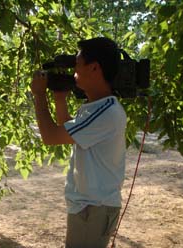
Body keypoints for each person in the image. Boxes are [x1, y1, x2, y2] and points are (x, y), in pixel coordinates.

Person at [31, 37, 127, 248]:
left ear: (94, 68)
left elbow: (51, 137)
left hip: (93, 209)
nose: (74, 70)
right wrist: (59, 99)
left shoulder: (106, 112)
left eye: (77, 64)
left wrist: (39, 95)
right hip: (90, 208)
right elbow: (68, 134)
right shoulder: (96, 107)